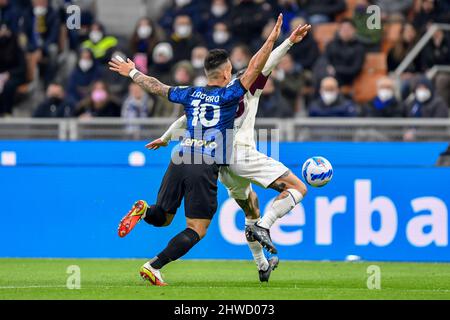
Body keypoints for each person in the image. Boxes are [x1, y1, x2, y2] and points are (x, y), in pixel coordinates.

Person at [109, 14, 287, 286]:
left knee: (163, 217)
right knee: (197, 229)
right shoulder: (230, 95)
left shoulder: (190, 93)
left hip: (180, 156)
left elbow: (157, 87)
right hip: (204, 163)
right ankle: (153, 266)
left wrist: (132, 71)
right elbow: (255, 67)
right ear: (227, 73)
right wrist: (273, 39)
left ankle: (143, 210)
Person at [147, 23, 312, 268]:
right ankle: (265, 227)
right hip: (240, 154)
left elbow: (184, 119)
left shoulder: (208, 98)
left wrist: (166, 137)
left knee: (251, 209)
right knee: (297, 188)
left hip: (220, 165)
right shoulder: (243, 88)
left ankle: (261, 264)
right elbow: (267, 62)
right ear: (228, 72)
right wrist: (287, 42)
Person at [324, 19, 365, 86]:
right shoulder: (331, 44)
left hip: (347, 77)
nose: (345, 31)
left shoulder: (359, 47)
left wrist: (336, 70)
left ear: (354, 30)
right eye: (343, 28)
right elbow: (325, 59)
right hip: (329, 74)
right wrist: (328, 68)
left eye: (348, 28)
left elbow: (356, 69)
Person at [0, 26, 27, 117]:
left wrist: (9, 74)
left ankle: (7, 113)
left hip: (15, 75)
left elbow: (22, 68)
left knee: (8, 86)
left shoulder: (15, 44)